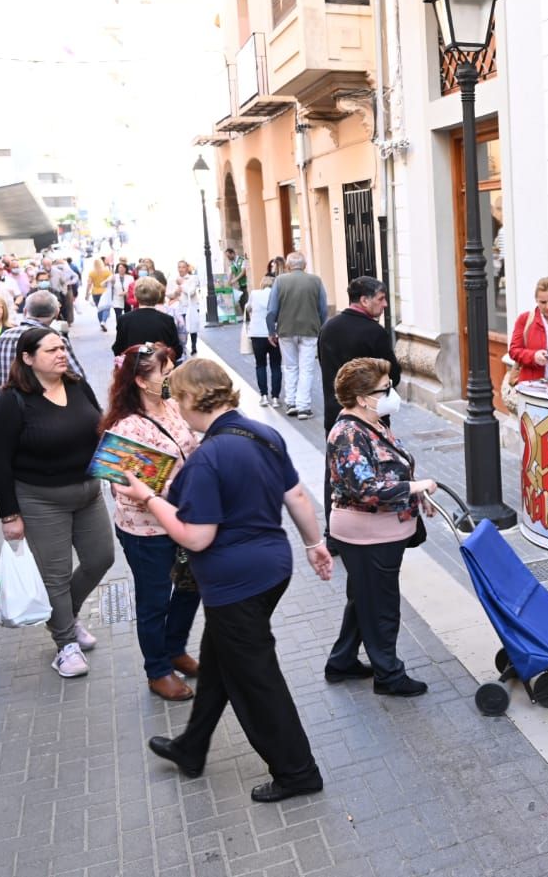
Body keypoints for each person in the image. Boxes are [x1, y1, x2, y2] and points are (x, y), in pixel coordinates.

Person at [114, 359, 331, 804]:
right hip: (272, 567)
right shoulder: (262, 433)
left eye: (176, 397)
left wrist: (149, 497)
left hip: (236, 584)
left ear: (193, 399)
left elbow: (196, 535)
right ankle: (191, 747)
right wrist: (314, 545)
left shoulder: (208, 457)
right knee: (219, 659)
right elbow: (297, 495)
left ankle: (297, 772)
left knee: (256, 681)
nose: (175, 407)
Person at [0, 327, 114, 679]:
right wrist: (9, 514)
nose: (61, 354)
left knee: (101, 557)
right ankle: (65, 644)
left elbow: (101, 430)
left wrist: (117, 474)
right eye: (51, 349)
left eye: (63, 347)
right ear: (28, 358)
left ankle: (64, 617)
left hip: (88, 492)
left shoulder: (77, 385)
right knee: (54, 576)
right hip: (41, 499)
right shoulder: (11, 402)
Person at [323, 358, 434, 696]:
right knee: (382, 607)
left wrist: (415, 495)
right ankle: (388, 675)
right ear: (361, 397)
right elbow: (366, 488)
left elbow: (392, 470)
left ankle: (341, 661)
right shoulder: (348, 434)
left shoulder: (372, 423)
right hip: (367, 535)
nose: (392, 394)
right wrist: (414, 489)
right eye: (385, 389)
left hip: (380, 532)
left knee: (363, 600)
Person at [101, 344, 201, 701]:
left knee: (191, 586)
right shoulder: (128, 426)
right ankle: (157, 670)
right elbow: (121, 486)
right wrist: (180, 487)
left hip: (184, 520)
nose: (172, 374)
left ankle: (175, 648)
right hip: (147, 530)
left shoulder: (173, 406)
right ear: (142, 381)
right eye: (165, 371)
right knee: (155, 599)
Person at [319, 277, 397, 431]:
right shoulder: (375, 332)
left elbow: (324, 365)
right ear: (364, 301)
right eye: (380, 299)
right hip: (369, 416)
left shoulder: (328, 327)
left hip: (335, 414)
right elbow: (392, 374)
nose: (385, 304)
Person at [266, 252, 326, 419]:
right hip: (310, 329)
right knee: (306, 368)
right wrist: (320, 326)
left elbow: (271, 310)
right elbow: (323, 308)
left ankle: (291, 402)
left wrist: (271, 331)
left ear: (288, 266)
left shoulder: (279, 281)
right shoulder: (316, 281)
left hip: (286, 329)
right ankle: (303, 406)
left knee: (290, 367)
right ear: (305, 265)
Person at [0, 291, 85, 395]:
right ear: (57, 313)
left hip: (7, 404)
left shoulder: (5, 336)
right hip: (42, 405)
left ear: (25, 311)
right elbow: (77, 377)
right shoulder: (56, 340)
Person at [111, 277, 185, 358]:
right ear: (158, 296)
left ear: (135, 296)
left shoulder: (124, 319)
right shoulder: (167, 320)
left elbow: (118, 349)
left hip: (133, 367)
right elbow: (176, 350)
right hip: (159, 367)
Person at [246, 273, 281, 406]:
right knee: (276, 366)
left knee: (260, 365)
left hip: (257, 333)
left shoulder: (255, 294)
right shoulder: (276, 296)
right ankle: (276, 397)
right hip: (274, 333)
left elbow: (248, 308)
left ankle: (264, 396)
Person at [174, 261, 204, 356]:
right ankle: (183, 346)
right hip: (181, 307)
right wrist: (175, 293)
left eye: (183, 267)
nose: (181, 269)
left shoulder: (193, 278)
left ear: (187, 268)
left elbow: (191, 292)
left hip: (192, 307)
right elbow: (171, 293)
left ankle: (194, 346)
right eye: (179, 267)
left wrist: (182, 285)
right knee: (182, 328)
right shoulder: (176, 279)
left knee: (192, 327)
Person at [87, 257, 112, 333]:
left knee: (99, 308)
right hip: (105, 291)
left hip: (95, 292)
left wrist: (87, 294)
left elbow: (89, 284)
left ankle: (101, 321)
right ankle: (103, 321)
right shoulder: (107, 271)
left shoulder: (91, 273)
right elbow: (111, 279)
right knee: (106, 307)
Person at [227, 247, 248, 317]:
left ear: (233, 253)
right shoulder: (232, 263)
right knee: (241, 301)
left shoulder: (241, 260)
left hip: (246, 284)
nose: (228, 258)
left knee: (245, 301)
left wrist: (234, 280)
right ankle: (246, 317)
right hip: (240, 285)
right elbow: (231, 273)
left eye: (229, 256)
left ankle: (248, 317)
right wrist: (228, 282)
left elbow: (243, 272)